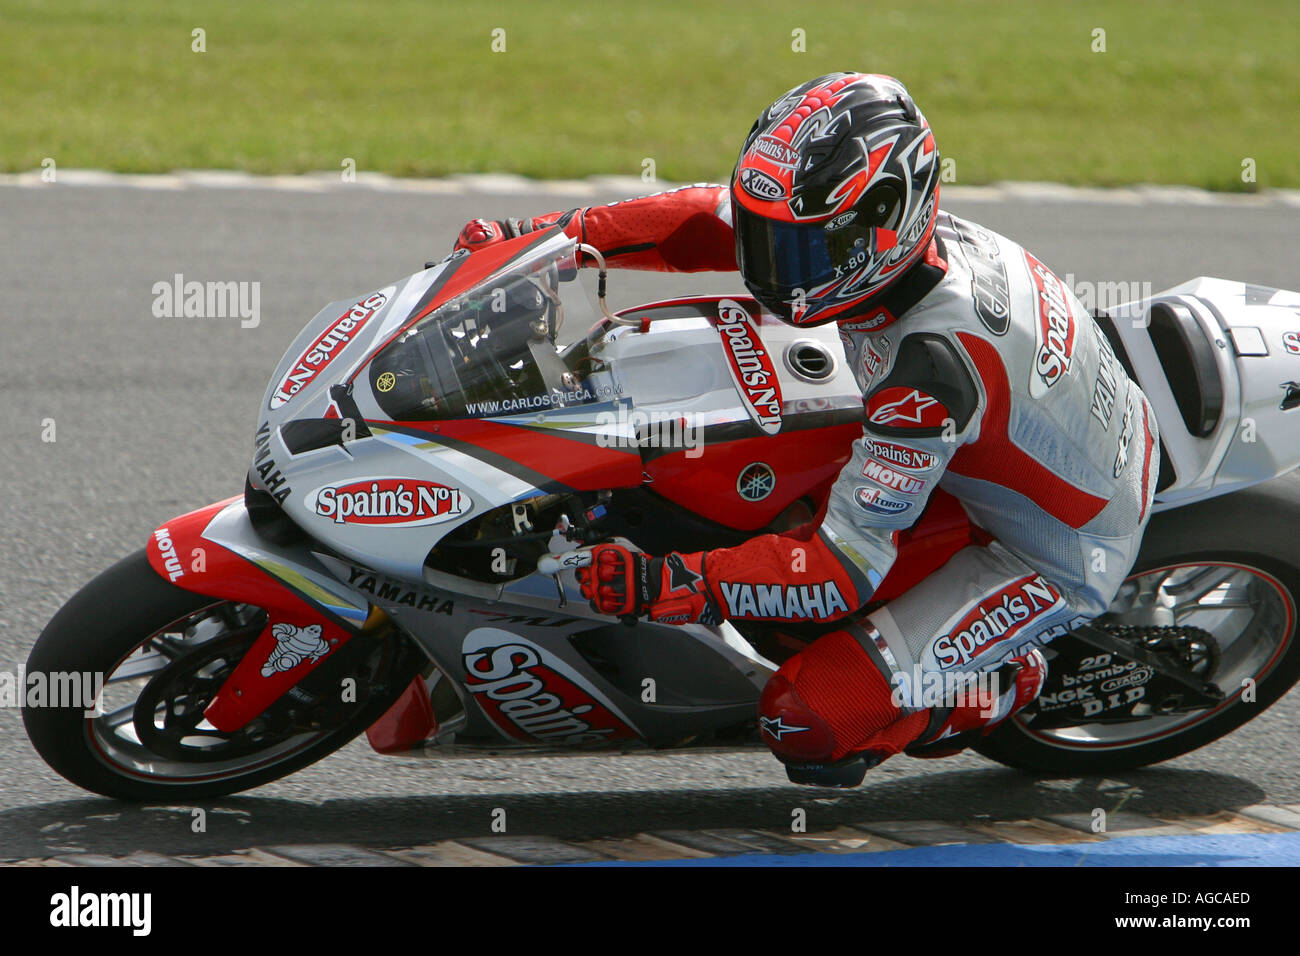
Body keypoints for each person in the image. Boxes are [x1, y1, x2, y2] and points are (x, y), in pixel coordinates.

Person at [454, 72, 1159, 786]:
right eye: (766, 238)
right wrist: (542, 241)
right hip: (1013, 439)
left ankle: (1005, 683)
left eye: (796, 250)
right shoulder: (881, 246)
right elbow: (703, 218)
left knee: (806, 720)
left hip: (1051, 553)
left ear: (883, 221)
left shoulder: (929, 375)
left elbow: (841, 570)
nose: (767, 266)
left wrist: (668, 583)